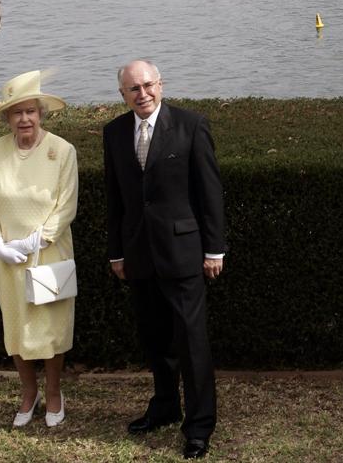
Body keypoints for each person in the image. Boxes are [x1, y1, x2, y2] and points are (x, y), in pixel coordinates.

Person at [103, 60, 225, 460]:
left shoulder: (191, 126)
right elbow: (115, 198)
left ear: (161, 85)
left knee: (191, 342)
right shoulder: (115, 133)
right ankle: (165, 407)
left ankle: (200, 426)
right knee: (155, 338)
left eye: (148, 85)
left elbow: (209, 192)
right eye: (133, 89)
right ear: (122, 94)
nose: (142, 94)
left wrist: (214, 249)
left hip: (184, 254)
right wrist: (117, 251)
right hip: (138, 255)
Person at [0, 70, 78, 428]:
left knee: (51, 330)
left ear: (41, 113)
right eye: (16, 112)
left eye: (30, 111)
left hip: (49, 253)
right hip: (7, 259)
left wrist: (38, 239)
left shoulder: (62, 150)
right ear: (7, 117)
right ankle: (27, 393)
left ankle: (53, 393)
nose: (24, 119)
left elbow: (67, 206)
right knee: (17, 328)